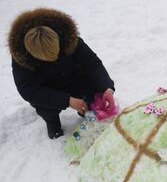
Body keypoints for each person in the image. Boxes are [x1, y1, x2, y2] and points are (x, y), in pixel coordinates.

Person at [8, 8, 115, 139]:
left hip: (73, 77)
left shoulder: (69, 38)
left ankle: (87, 108)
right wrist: (66, 101)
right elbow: (28, 90)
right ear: (31, 54)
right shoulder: (21, 58)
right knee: (44, 105)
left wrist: (107, 88)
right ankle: (52, 121)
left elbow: (92, 64)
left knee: (94, 89)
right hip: (48, 87)